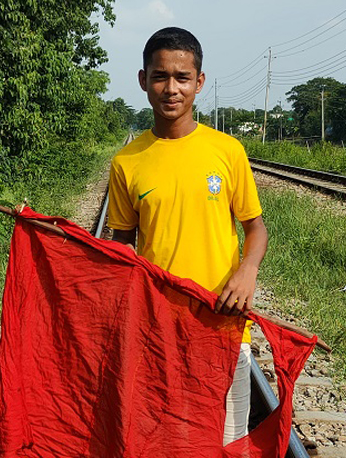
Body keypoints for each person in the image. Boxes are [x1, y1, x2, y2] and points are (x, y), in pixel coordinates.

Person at [107, 27, 268, 445]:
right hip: (158, 327)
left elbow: (255, 228)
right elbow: (121, 242)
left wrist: (247, 270)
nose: (171, 89)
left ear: (199, 82)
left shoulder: (227, 150)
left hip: (224, 324)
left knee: (228, 439)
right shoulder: (127, 162)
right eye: (160, 76)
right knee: (166, 438)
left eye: (182, 77)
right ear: (143, 80)